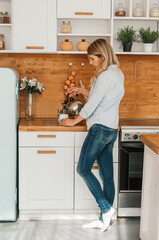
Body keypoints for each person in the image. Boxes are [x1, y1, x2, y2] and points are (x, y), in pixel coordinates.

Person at [60, 38, 125, 232]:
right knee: (107, 177)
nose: (90, 63)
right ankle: (104, 219)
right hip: (111, 129)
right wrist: (82, 90)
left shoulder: (105, 76)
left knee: (83, 169)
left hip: (99, 129)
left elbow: (93, 105)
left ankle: (105, 209)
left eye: (92, 59)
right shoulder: (116, 73)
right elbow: (102, 97)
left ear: (102, 56)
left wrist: (73, 120)